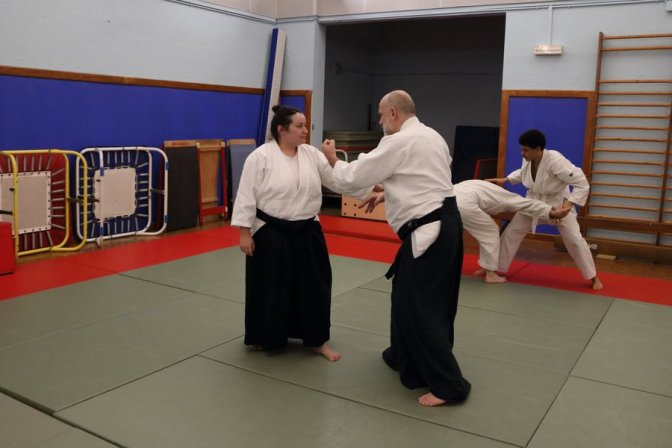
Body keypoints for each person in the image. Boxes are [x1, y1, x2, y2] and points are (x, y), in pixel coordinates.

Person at [321, 90, 471, 407]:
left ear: (393, 113)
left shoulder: (399, 140)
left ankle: (449, 385)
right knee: (408, 297)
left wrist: (333, 159)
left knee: (420, 307)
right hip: (444, 225)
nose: (379, 122)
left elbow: (353, 178)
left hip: (430, 231)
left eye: (380, 115)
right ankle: (404, 356)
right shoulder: (432, 136)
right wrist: (387, 193)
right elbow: (423, 179)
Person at [231, 105, 369, 362]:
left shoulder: (312, 155)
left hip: (307, 229)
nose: (306, 130)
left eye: (305, 125)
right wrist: (244, 232)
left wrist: (370, 188)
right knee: (270, 286)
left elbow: (336, 181)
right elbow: (246, 195)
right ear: (281, 129)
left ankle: (317, 340)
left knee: (315, 286)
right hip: (270, 231)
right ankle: (266, 336)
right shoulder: (260, 157)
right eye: (299, 126)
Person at [487, 129, 603, 290]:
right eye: (522, 149)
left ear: (538, 149)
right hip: (533, 202)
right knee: (511, 233)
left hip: (557, 203)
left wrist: (568, 205)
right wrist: (505, 179)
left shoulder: (555, 160)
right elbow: (523, 173)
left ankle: (593, 277)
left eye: (525, 150)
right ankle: (495, 269)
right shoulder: (528, 159)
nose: (522, 153)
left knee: (575, 240)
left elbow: (582, 182)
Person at [454, 179, 571, 283]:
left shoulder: (485, 188)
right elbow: (527, 204)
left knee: (485, 233)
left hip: (449, 197)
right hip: (464, 203)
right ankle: (491, 274)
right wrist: (550, 211)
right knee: (490, 232)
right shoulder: (506, 197)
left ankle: (486, 267)